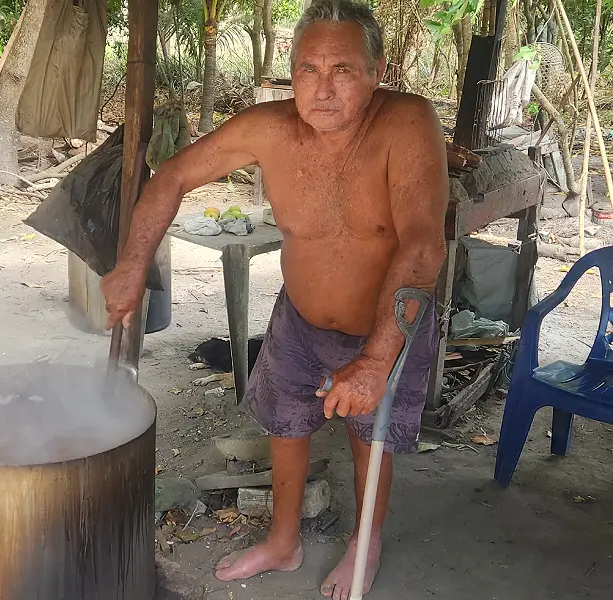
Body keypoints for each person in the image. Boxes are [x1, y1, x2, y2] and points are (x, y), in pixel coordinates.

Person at [100, 0, 448, 597]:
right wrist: (132, 263)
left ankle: (366, 545)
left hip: (386, 324)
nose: (323, 88)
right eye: (308, 69)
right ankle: (283, 543)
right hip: (301, 315)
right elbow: (172, 177)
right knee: (286, 428)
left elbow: (422, 247)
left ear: (376, 70)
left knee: (372, 438)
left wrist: (373, 361)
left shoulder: (407, 123)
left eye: (342, 69)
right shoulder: (268, 128)